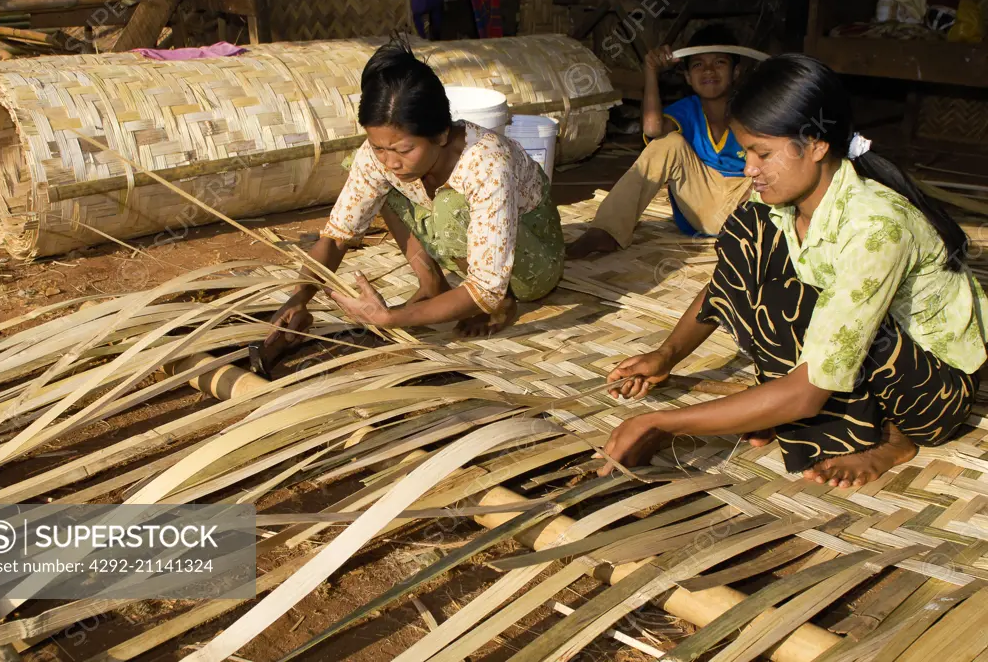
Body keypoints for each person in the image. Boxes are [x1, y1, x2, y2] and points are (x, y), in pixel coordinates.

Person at [598, 54, 988, 489]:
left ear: (816, 145)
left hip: (927, 392)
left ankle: (892, 441)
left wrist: (663, 424)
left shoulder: (876, 227)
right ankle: (778, 407)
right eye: (747, 151)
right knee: (751, 235)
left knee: (795, 302)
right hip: (854, 370)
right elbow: (725, 284)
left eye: (762, 153)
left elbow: (810, 388)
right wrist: (666, 355)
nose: (749, 168)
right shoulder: (778, 205)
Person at [257, 37, 564, 374]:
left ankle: (505, 304)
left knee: (450, 210)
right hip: (465, 236)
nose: (391, 160)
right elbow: (337, 236)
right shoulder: (381, 158)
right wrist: (301, 296)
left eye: (403, 150)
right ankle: (432, 283)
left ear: (442, 135)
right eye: (379, 147)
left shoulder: (486, 163)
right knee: (378, 182)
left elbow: (485, 288)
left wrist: (390, 317)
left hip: (532, 264)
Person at [566, 24, 752, 259]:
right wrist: (651, 72)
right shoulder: (687, 110)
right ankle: (605, 231)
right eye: (698, 65)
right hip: (702, 205)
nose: (708, 71)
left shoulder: (750, 110)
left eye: (720, 63)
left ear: (736, 72)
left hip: (746, 207)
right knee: (667, 143)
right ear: (687, 77)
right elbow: (653, 129)